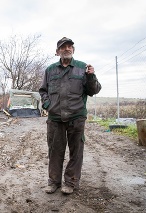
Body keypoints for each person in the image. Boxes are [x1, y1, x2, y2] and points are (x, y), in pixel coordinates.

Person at [39, 37, 101, 194]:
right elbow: (43, 90)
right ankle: (53, 182)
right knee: (54, 150)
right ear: (57, 51)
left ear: (73, 50)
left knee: (76, 152)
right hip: (55, 118)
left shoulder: (83, 68)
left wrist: (91, 77)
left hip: (76, 117)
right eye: (63, 47)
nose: (67, 49)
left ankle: (71, 183)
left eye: (70, 46)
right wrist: (47, 105)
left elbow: (93, 90)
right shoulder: (50, 70)